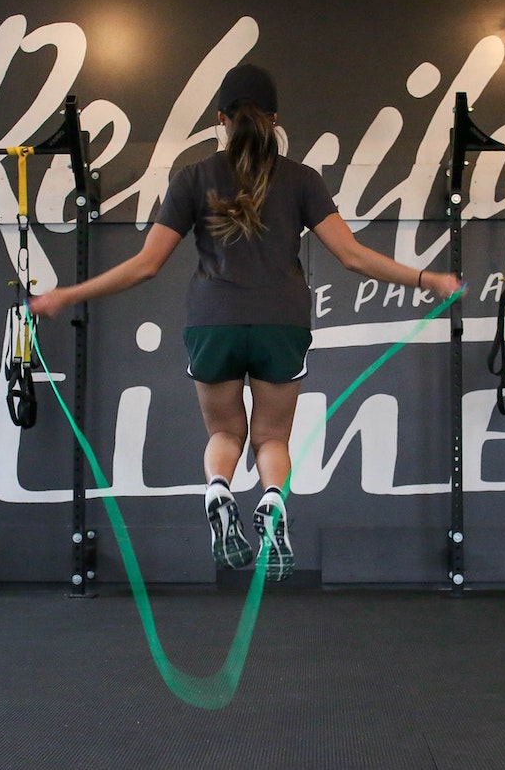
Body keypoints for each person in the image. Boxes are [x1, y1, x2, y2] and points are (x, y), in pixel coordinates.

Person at [30, 65, 463, 581]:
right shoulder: (301, 179)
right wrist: (426, 279)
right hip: (282, 323)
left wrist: (68, 294)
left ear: (220, 119)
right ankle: (272, 502)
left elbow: (146, 266)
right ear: (274, 121)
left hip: (214, 323)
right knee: (272, 437)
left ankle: (217, 491)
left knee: (224, 432)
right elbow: (351, 257)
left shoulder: (192, 178)